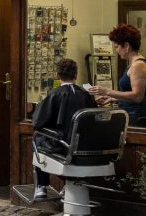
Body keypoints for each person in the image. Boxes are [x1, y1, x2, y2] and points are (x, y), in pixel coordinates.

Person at [31, 58, 97, 201]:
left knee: (37, 138)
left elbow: (38, 122)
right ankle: (69, 183)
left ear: (57, 74)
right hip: (87, 145)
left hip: (63, 146)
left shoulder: (55, 94)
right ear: (76, 75)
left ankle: (41, 186)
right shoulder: (85, 94)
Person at [89, 24, 146, 127]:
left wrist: (107, 91)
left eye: (117, 46)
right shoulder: (134, 64)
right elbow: (134, 93)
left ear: (127, 46)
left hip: (137, 117)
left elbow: (137, 96)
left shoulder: (138, 65)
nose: (116, 50)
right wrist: (113, 98)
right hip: (133, 115)